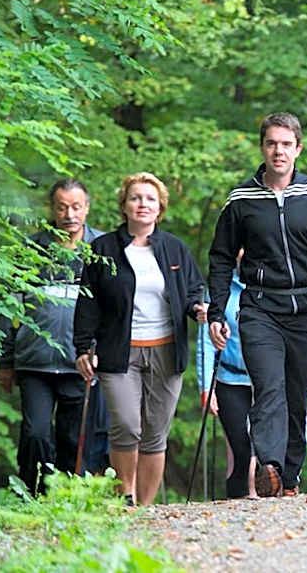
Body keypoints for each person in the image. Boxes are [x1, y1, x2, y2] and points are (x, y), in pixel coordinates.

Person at [207, 112, 307, 497]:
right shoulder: (241, 199)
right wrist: (215, 312)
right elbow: (221, 258)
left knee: (296, 394)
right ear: (262, 147)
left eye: (286, 144)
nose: (279, 151)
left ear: (298, 149)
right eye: (272, 143)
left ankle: (287, 477)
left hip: (306, 307)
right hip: (259, 307)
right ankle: (270, 466)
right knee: (268, 386)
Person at [74, 172, 207, 506]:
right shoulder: (102, 249)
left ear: (159, 208)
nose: (142, 204)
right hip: (119, 352)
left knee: (155, 432)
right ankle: (125, 498)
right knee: (127, 426)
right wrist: (82, 347)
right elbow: (88, 300)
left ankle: (145, 509)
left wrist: (199, 309)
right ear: (124, 205)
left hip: (166, 350)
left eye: (150, 199)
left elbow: (192, 291)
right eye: (135, 198)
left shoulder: (175, 249)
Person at [0, 178, 110, 496]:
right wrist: (4, 361)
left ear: (87, 208)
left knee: (74, 439)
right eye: (62, 206)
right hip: (35, 363)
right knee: (36, 434)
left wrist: (103, 351)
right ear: (52, 209)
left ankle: (68, 497)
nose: (69, 214)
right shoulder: (30, 250)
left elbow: (115, 308)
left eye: (75, 206)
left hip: (82, 363)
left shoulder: (102, 249)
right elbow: (7, 308)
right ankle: (34, 495)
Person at [197, 249, 257, 499]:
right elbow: (206, 342)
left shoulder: (274, 284)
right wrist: (205, 386)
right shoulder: (220, 288)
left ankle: (264, 496)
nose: (243, 253)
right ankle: (237, 498)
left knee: (264, 446)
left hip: (266, 379)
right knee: (240, 446)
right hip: (229, 378)